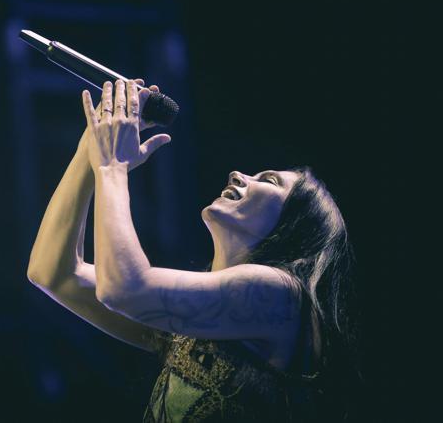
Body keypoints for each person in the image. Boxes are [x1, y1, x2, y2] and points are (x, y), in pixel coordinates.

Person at [27, 79, 361, 422]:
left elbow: (123, 288)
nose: (238, 174)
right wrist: (93, 146)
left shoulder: (281, 295)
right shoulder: (196, 319)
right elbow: (52, 273)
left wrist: (112, 167)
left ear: (295, 228)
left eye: (270, 180)